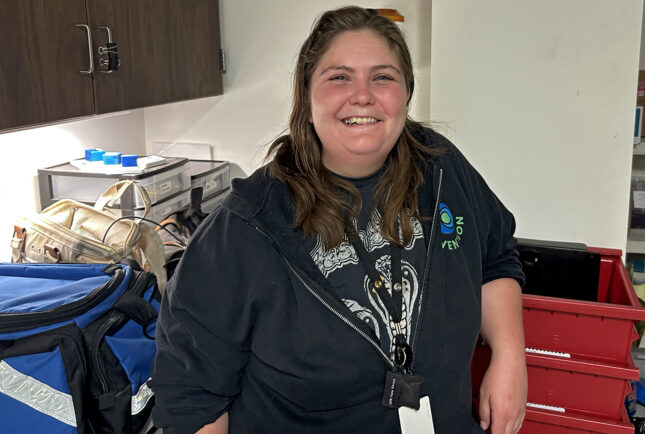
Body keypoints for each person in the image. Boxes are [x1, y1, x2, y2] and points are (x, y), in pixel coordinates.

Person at [152, 6, 527, 434]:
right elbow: (192, 397)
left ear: (406, 93)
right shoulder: (249, 223)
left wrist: (509, 355)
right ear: (307, 97)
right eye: (339, 77)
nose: (362, 95)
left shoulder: (440, 167)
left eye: (382, 77)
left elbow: (496, 255)